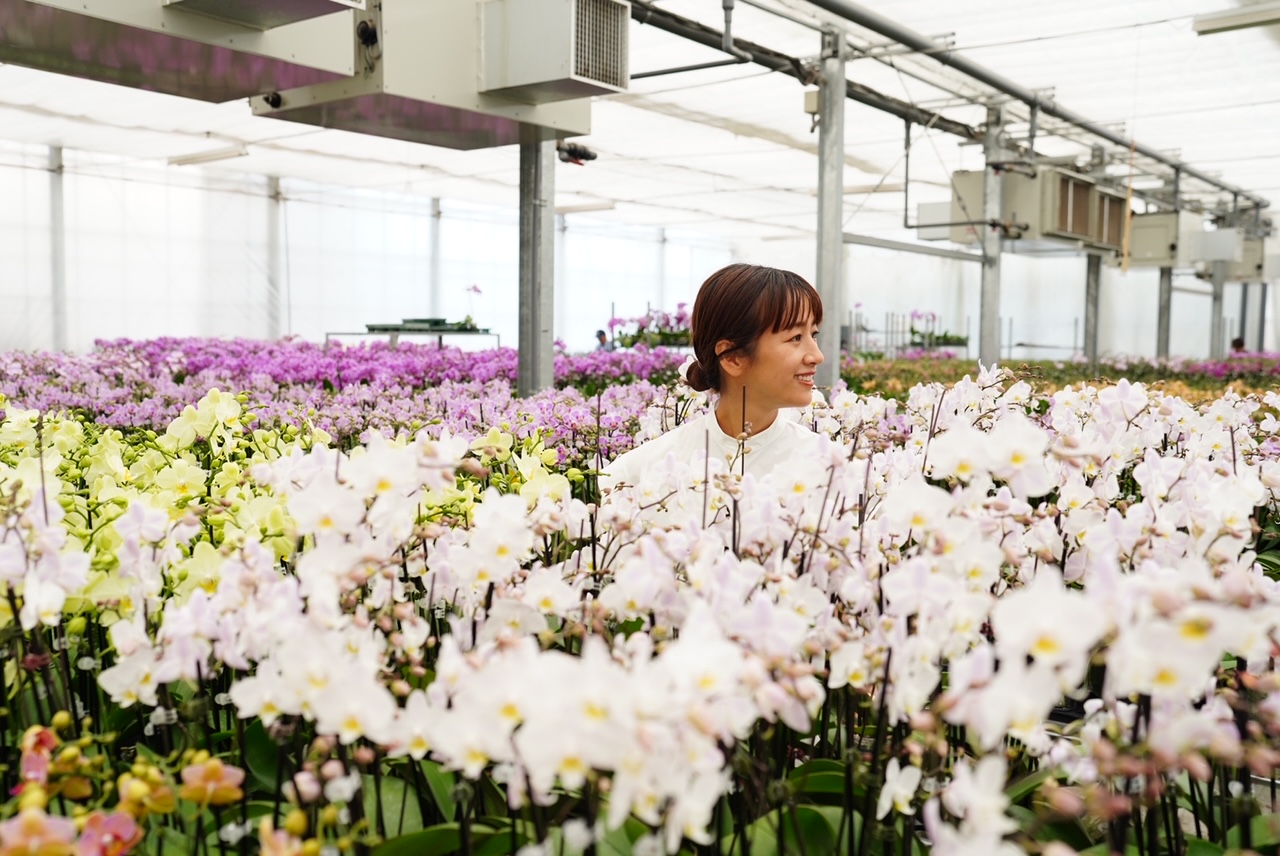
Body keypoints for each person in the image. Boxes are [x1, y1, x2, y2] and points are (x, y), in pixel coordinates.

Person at [602, 263, 824, 488]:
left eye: (813, 335)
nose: (817, 356)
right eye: (796, 337)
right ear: (732, 357)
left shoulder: (829, 469)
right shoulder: (635, 476)